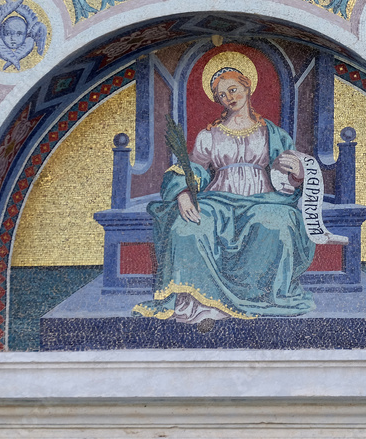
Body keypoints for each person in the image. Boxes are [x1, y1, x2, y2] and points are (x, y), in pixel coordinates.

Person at [133, 61, 317, 330]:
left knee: (277, 224)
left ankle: (260, 297)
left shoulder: (273, 133)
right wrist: (183, 193)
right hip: (218, 199)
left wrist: (299, 171)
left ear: (247, 86)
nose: (229, 97)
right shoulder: (209, 136)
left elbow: (289, 172)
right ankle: (202, 304)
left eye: (233, 89)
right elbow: (193, 169)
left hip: (265, 199)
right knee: (187, 227)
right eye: (222, 95)